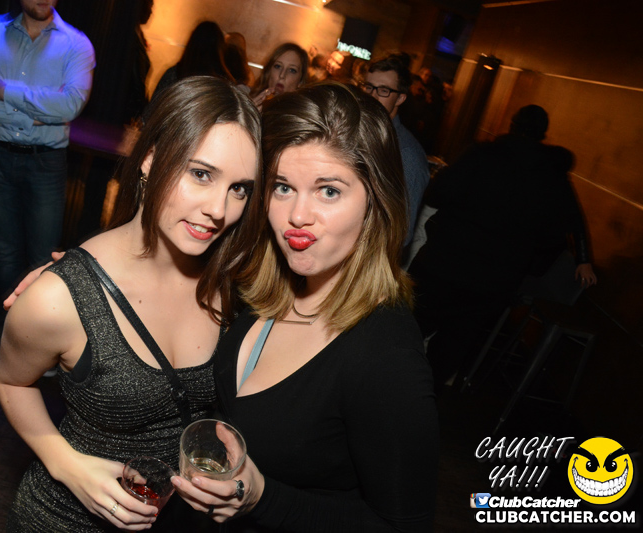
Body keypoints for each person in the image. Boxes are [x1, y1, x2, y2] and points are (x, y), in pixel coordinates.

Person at [0, 76, 261, 532]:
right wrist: (64, 462)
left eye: (239, 188)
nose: (220, 210)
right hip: (66, 521)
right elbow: (11, 381)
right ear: (150, 160)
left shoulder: (232, 277)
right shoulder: (58, 299)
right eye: (201, 174)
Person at [172, 83, 439, 531]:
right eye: (282, 187)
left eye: (328, 191)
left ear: (376, 201)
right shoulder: (266, 288)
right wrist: (88, 280)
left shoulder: (386, 357)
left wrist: (261, 497)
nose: (298, 215)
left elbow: (403, 525)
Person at [409, 104, 597, 393]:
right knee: (452, 346)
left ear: (512, 125)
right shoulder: (552, 174)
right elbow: (567, 221)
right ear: (542, 134)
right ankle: (418, 402)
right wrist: (581, 259)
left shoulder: (481, 155)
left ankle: (371, 397)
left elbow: (437, 194)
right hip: (495, 279)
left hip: (444, 262)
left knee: (406, 332)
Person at [0, 0, 95, 356]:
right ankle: (7, 335)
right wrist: (30, 116)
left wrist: (6, 91)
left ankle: (37, 347)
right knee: (4, 253)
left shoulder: (76, 44)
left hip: (45, 162)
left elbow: (70, 105)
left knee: (43, 258)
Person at [362, 54, 430, 247]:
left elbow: (401, 232)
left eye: (384, 90)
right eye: (369, 87)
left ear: (400, 98)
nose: (372, 96)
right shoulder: (354, 132)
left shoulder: (406, 154)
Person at [152, 21, 232, 99]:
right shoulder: (225, 82)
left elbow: (155, 104)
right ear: (219, 48)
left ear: (191, 43)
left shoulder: (173, 74)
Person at [250, 43, 309, 110]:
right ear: (269, 71)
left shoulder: (301, 114)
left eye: (292, 70)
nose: (282, 75)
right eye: (278, 66)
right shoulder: (247, 98)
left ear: (300, 81)